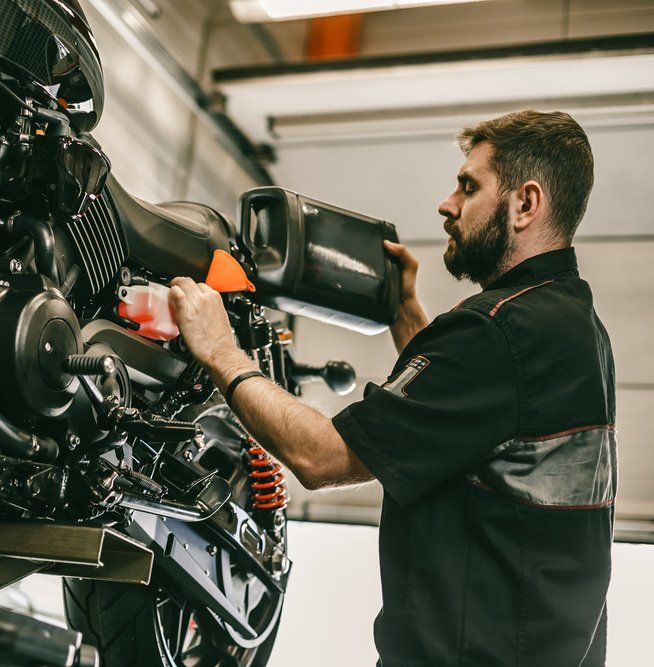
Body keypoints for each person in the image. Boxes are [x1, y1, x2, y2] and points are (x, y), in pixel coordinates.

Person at [168, 110, 616, 666]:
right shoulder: (575, 327)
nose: (447, 205)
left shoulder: (498, 330)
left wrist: (219, 350)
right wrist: (406, 313)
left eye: (468, 186)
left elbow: (322, 457)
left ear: (525, 204)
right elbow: (464, 420)